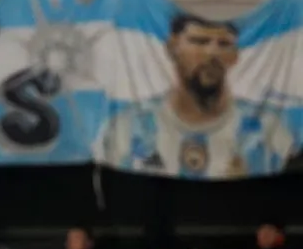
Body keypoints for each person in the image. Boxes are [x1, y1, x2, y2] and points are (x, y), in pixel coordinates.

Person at [95, 14, 295, 177]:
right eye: (199, 41)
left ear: (235, 56)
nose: (212, 52)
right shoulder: (127, 128)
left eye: (223, 44)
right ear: (173, 48)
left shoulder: (269, 128)